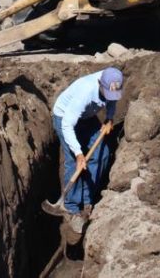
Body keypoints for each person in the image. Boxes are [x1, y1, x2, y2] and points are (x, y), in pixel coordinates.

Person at [47, 67, 124, 229]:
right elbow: (68, 125)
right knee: (74, 162)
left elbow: (112, 100)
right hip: (64, 118)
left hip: (86, 116)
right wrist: (79, 154)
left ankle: (88, 199)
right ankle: (71, 206)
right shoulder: (85, 92)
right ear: (99, 85)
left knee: (102, 155)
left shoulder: (113, 81)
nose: (110, 97)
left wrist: (109, 118)